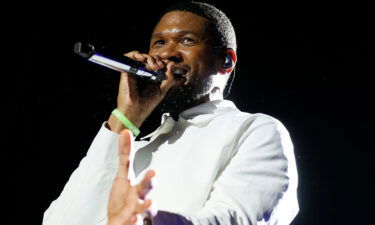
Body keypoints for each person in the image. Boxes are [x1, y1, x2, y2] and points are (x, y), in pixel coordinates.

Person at [42, 1, 299, 225]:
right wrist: (127, 118)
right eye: (160, 43)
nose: (167, 53)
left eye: (187, 40)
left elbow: (238, 219)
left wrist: (146, 221)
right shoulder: (138, 147)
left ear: (226, 61)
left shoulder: (255, 130)